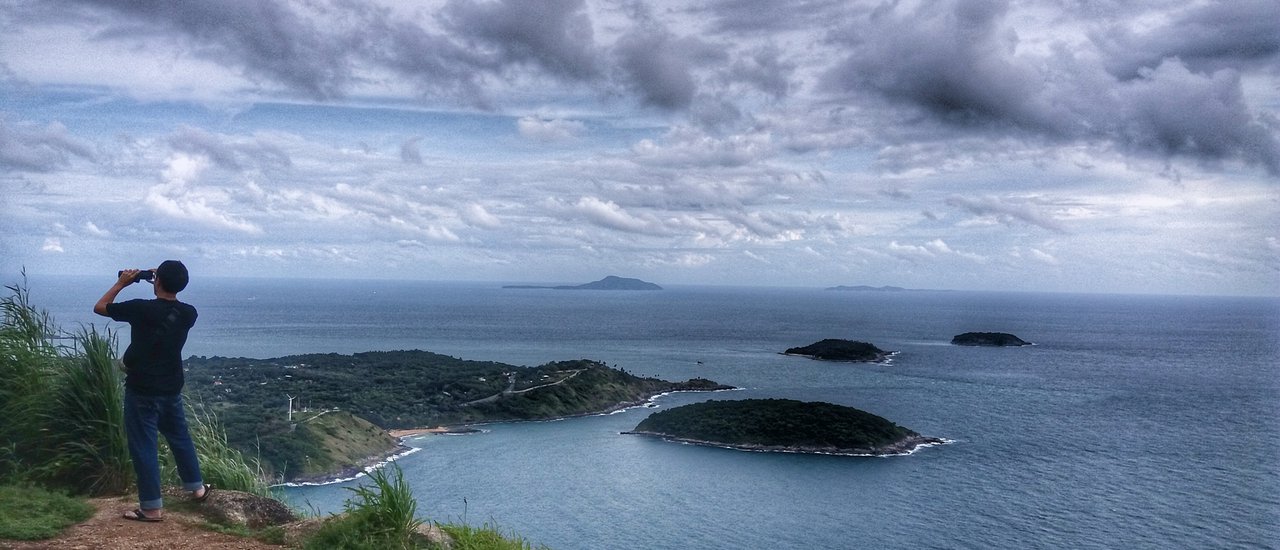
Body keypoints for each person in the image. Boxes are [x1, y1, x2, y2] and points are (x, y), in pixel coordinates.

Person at [94, 260, 210, 522]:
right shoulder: (189, 313)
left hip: (142, 388)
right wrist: (161, 279)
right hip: (171, 387)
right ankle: (197, 489)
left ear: (156, 281)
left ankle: (151, 508)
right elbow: (168, 303)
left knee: (144, 446)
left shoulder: (141, 309)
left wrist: (122, 282)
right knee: (180, 437)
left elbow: (100, 307)